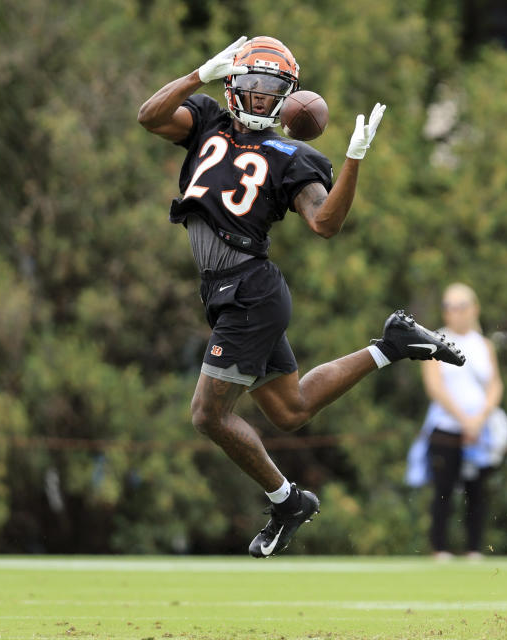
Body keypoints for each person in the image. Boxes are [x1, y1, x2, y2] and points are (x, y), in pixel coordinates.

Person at [137, 36, 464, 558]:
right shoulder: (205, 120)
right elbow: (149, 116)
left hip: (249, 290)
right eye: (253, 85)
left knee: (207, 415)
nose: (262, 97)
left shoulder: (294, 155)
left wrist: (354, 160)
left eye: (272, 90)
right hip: (227, 291)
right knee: (291, 410)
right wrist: (199, 73)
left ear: (288, 95)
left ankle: (288, 501)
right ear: (234, 87)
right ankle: (393, 345)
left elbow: (325, 224)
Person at [418, 283, 507, 560]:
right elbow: (435, 386)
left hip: (479, 431)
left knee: (477, 492)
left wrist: (479, 420)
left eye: (460, 307)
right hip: (447, 428)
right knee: (443, 490)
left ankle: (474, 548)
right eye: (449, 307)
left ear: (474, 309)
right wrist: (463, 419)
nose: (455, 313)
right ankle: (440, 547)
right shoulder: (434, 341)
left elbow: (495, 385)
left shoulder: (484, 345)